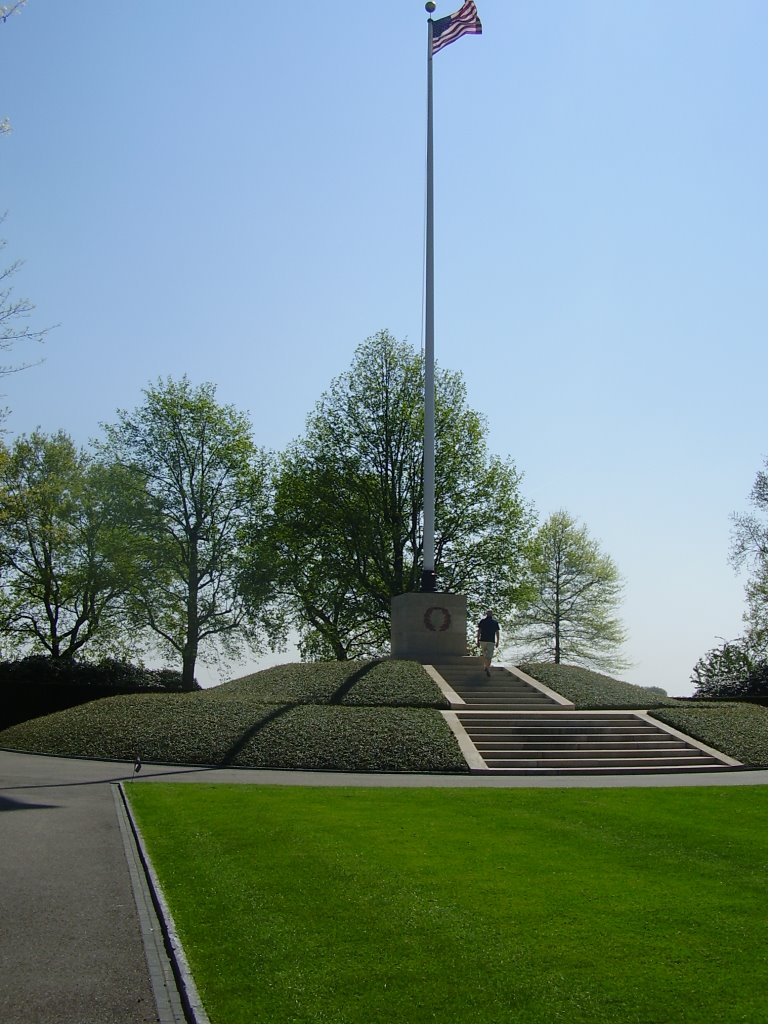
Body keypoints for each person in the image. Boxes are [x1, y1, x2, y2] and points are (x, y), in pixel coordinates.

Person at [476, 609, 500, 677]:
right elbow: (497, 632)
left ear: (486, 614)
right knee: (489, 656)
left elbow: (479, 631)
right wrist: (497, 641)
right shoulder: (495, 622)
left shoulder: (482, 621)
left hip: (483, 640)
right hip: (491, 641)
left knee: (485, 655)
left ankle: (486, 666)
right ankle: (488, 668)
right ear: (492, 614)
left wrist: (477, 640)